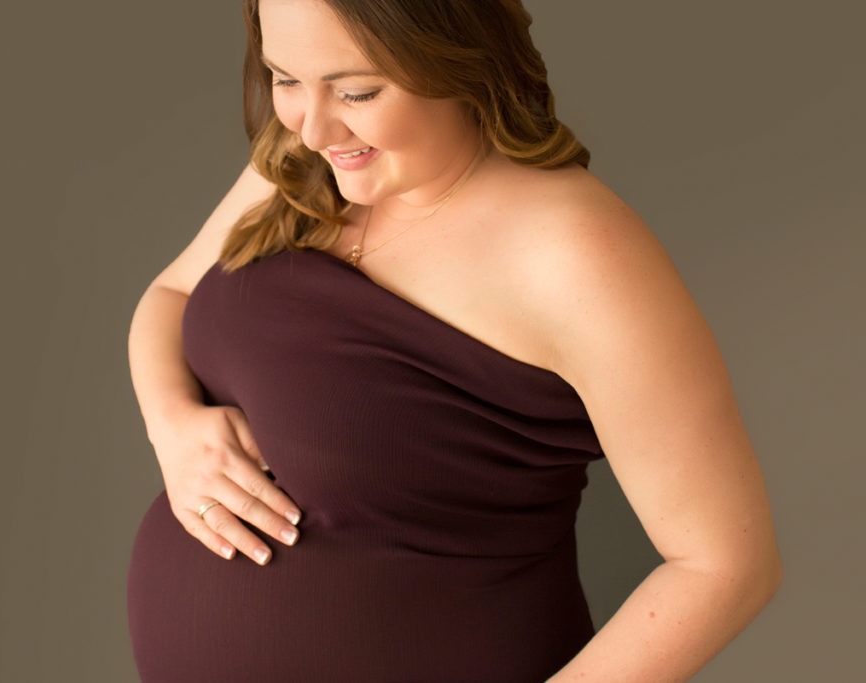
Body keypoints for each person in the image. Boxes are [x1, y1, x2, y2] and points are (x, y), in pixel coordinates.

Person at [126, 0, 783, 680]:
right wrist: (173, 425)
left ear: (455, 56)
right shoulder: (307, 164)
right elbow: (170, 295)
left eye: (357, 90)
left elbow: (726, 563)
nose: (313, 125)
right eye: (284, 78)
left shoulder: (574, 249)